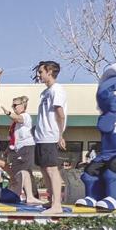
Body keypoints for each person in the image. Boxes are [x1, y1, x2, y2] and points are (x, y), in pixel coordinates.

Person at [30, 60, 67, 212]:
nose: (39, 75)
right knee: (44, 169)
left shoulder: (56, 90)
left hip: (51, 135)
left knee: (52, 170)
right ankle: (51, 200)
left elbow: (60, 115)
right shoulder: (46, 92)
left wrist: (60, 135)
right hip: (41, 136)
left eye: (41, 72)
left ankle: (57, 204)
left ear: (49, 72)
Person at [5, 93, 41, 203]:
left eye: (15, 105)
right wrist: (8, 150)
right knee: (19, 172)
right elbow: (14, 138)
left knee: (24, 171)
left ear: (22, 105)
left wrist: (9, 113)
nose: (13, 107)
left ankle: (32, 196)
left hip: (26, 148)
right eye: (12, 106)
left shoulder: (25, 116)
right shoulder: (15, 124)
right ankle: (26, 195)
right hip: (17, 149)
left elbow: (19, 119)